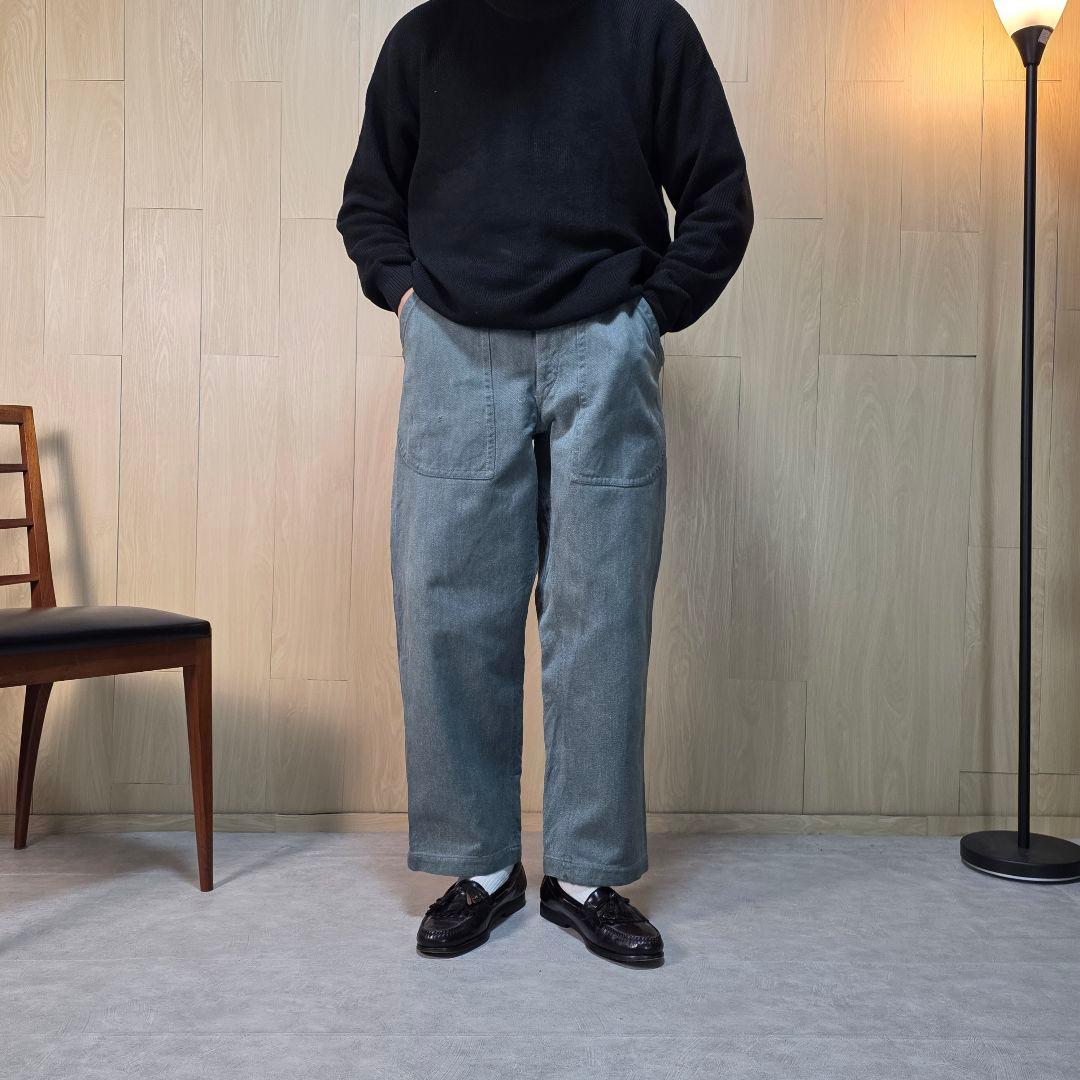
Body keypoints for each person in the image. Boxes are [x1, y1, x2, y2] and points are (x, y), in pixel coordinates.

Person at [337, 0, 752, 967]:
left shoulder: (648, 27)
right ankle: (481, 868)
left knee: (601, 609)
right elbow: (368, 202)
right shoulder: (425, 38)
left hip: (603, 343)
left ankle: (585, 873)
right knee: (444, 607)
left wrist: (649, 317)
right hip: (454, 348)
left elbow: (720, 197)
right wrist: (409, 303)